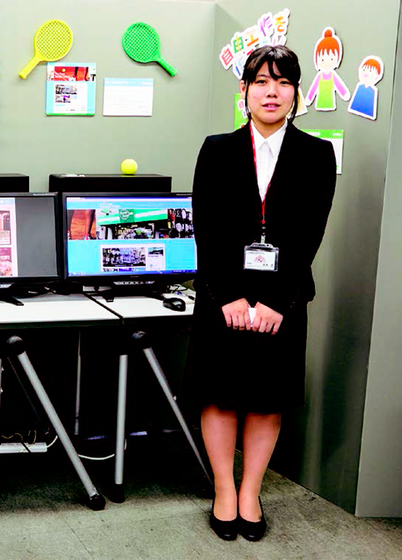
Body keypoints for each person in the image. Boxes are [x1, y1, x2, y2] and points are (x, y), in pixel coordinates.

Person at [186, 45, 336, 542]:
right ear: (245, 90)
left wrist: (275, 302)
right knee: (220, 396)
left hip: (282, 300)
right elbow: (206, 230)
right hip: (221, 296)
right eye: (262, 82)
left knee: (267, 400)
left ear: (296, 93)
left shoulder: (317, 154)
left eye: (284, 82)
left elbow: (309, 235)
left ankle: (251, 493)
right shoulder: (216, 149)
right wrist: (228, 296)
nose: (273, 92)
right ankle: (224, 490)